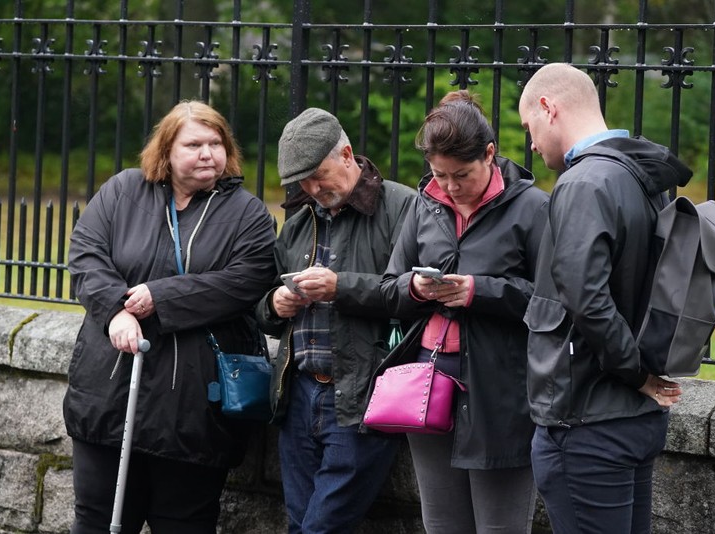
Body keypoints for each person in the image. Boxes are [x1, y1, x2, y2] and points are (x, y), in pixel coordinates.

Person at [64, 100, 277, 533]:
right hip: (110, 396)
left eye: (216, 143)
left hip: (192, 409)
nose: (207, 154)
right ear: (166, 150)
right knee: (98, 520)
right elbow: (86, 254)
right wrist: (115, 312)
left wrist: (159, 297)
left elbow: (247, 279)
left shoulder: (248, 214)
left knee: (184, 522)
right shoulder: (123, 191)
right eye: (193, 145)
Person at [518, 62, 689, 533]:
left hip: (587, 423)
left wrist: (635, 374)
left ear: (549, 108)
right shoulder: (640, 174)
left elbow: (586, 298)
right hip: (631, 419)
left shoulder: (584, 182)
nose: (531, 144)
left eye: (529, 127)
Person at [378, 90, 549, 533]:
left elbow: (552, 302)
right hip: (428, 382)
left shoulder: (532, 207)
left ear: (489, 154)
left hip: (502, 389)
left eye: (461, 175)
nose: (450, 187)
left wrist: (479, 291)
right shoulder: (425, 203)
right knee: (441, 524)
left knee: (500, 527)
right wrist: (414, 287)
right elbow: (389, 286)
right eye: (440, 174)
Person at [255, 107, 416, 533]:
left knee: (319, 528)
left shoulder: (402, 206)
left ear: (346, 154)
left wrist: (340, 287)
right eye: (302, 182)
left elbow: (415, 294)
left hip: (362, 394)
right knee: (299, 525)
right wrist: (275, 304)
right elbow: (262, 309)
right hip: (297, 393)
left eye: (318, 175)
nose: (311, 188)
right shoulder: (299, 222)